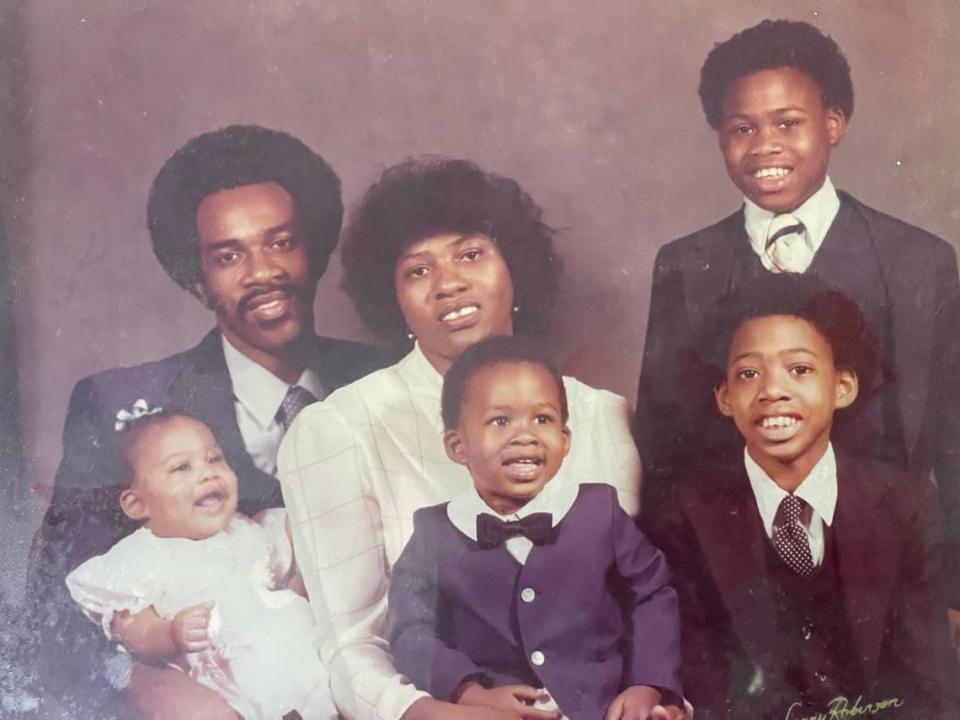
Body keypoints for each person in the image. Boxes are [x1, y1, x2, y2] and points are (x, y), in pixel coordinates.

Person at [28, 124, 391, 719]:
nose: (263, 271)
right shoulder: (119, 400)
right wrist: (144, 685)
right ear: (197, 281)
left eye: (281, 242)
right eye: (229, 256)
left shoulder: (386, 380)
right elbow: (53, 620)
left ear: (316, 250)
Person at [278, 156, 642, 720]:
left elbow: (634, 609)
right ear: (392, 296)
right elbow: (351, 645)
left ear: (514, 268)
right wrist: (435, 712)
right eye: (417, 270)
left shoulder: (600, 416)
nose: (449, 284)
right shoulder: (337, 430)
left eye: (471, 254)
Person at [634, 18, 960, 640]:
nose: (764, 147)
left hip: (888, 571)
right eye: (741, 129)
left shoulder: (917, 260)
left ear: (833, 123)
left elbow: (953, 435)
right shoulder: (685, 265)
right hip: (732, 581)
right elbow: (663, 437)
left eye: (788, 123)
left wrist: (955, 590)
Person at [649, 274, 956, 719]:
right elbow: (703, 678)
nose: (772, 391)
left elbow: (928, 682)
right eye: (749, 373)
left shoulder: (906, 504)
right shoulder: (683, 509)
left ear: (842, 387)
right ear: (725, 397)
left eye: (800, 369)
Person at [387, 336, 684, 720]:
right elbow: (411, 631)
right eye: (500, 420)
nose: (525, 435)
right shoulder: (433, 532)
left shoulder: (601, 511)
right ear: (458, 446)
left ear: (564, 439)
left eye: (542, 419)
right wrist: (468, 691)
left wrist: (647, 683)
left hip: (603, 708)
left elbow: (653, 595)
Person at [66, 405, 336, 719]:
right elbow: (132, 629)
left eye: (214, 458)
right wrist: (169, 634)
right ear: (136, 503)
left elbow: (281, 576)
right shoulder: (142, 555)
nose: (207, 472)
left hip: (294, 655)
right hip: (226, 680)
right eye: (182, 467)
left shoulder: (245, 530)